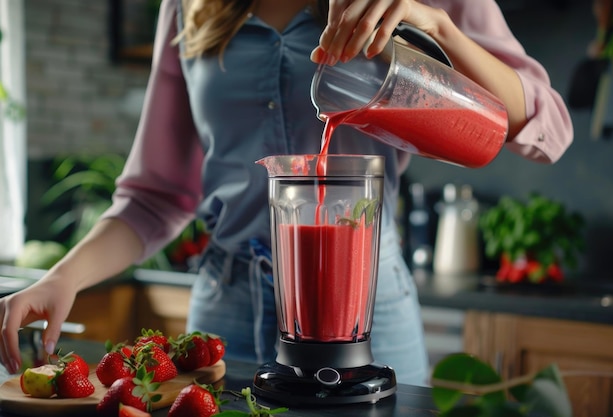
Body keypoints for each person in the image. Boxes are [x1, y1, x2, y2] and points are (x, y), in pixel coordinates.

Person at [0, 0, 572, 386]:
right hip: (226, 304)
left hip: (367, 306)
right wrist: (62, 277)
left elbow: (547, 128)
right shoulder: (191, 6)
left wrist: (439, 30)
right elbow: (157, 194)